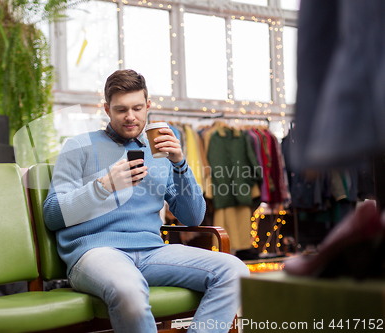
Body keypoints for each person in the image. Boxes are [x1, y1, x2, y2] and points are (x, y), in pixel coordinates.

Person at [43, 69, 249, 333]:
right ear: (106, 109)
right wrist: (103, 186)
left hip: (152, 252)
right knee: (129, 289)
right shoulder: (78, 146)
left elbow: (193, 217)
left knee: (235, 271)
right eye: (121, 110)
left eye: (137, 108)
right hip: (95, 253)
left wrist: (180, 163)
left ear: (148, 105)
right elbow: (52, 215)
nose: (131, 117)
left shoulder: (159, 148)